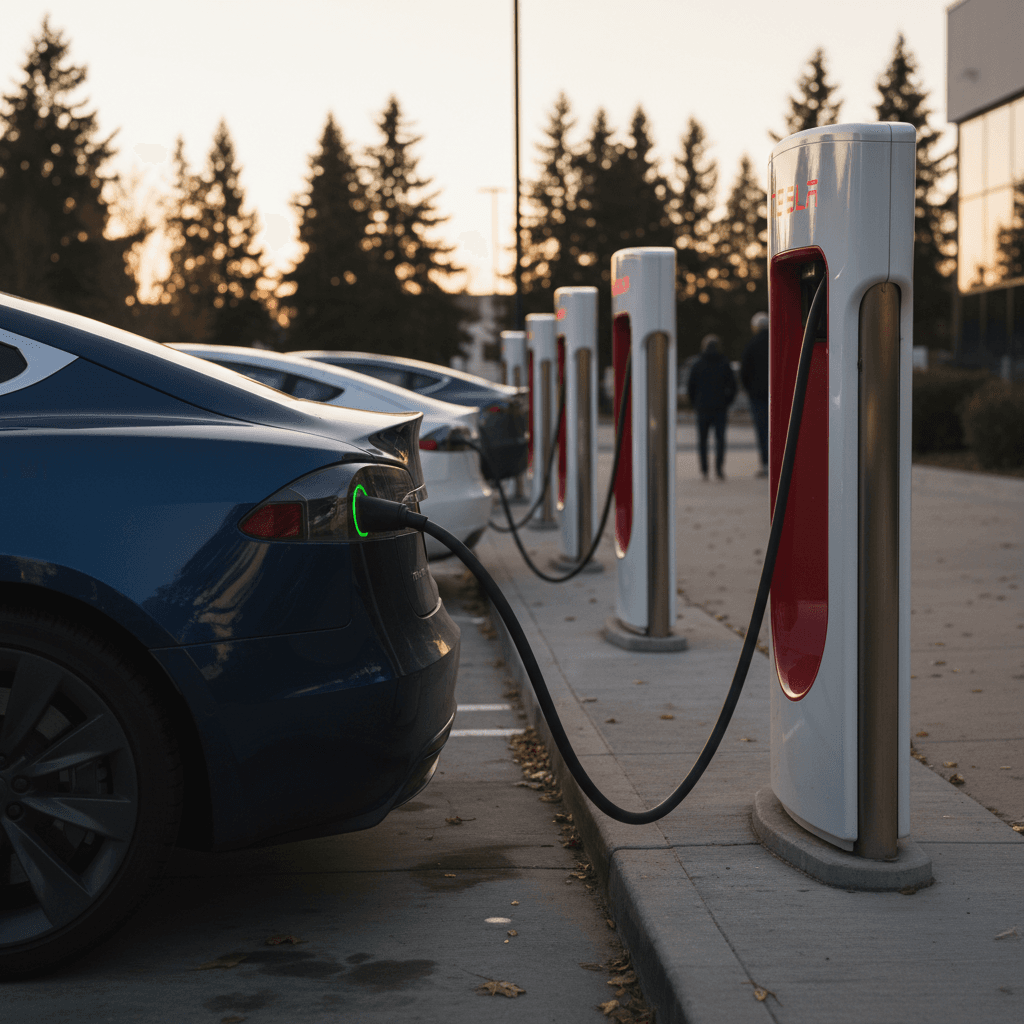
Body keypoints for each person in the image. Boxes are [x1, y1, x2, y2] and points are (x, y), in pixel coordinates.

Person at [687, 334, 737, 480]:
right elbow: (732, 386)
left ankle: (704, 469)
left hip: (702, 407)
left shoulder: (697, 364)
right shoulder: (724, 363)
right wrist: (727, 401)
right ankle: (719, 468)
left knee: (702, 440)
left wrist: (695, 403)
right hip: (720, 407)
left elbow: (691, 387)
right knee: (720, 440)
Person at [741, 311, 770, 477]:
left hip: (757, 396)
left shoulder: (751, 345)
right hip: (775, 395)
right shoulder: (775, 342)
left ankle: (766, 464)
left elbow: (744, 372)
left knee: (762, 430)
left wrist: (750, 390)